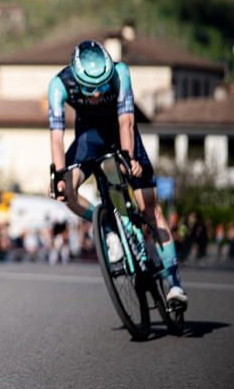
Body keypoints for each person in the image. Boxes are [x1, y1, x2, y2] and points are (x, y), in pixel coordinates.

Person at [48, 40, 186, 307]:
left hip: (121, 134)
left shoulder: (120, 73)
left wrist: (129, 158)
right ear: (76, 79)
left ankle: (175, 285)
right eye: (89, 89)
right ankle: (108, 226)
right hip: (89, 138)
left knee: (149, 208)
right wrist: (58, 174)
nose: (97, 94)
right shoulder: (59, 85)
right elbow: (56, 138)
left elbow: (127, 122)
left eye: (102, 86)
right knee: (65, 191)